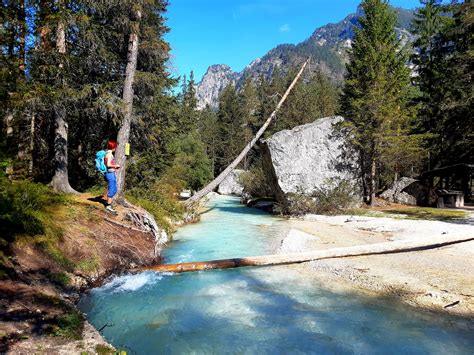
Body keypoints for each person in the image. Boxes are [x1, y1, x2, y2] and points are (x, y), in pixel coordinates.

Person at [103, 140, 120, 214]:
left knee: (113, 189)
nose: (115, 148)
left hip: (110, 173)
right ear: (113, 147)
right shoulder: (109, 155)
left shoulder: (107, 153)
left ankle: (108, 205)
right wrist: (115, 166)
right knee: (112, 190)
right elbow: (108, 165)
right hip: (110, 174)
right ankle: (108, 206)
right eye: (115, 147)